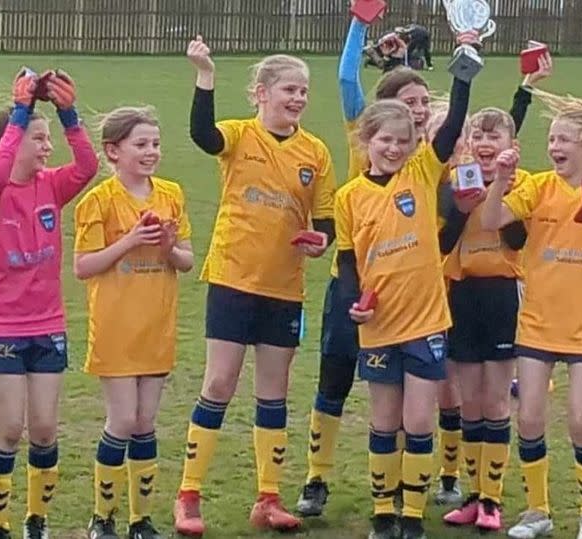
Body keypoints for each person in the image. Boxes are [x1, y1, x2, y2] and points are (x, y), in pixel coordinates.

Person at [172, 36, 336, 537]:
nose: (299, 98)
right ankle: (188, 495)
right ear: (260, 93)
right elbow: (202, 134)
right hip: (232, 277)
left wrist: (319, 240)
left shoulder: (316, 152)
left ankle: (268, 498)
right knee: (219, 384)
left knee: (274, 391)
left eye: (304, 91)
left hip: (284, 287)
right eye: (289, 88)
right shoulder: (240, 136)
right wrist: (205, 76)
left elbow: (326, 219)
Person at [335, 26, 475, 535]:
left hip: (425, 321)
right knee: (383, 424)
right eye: (384, 141)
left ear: (415, 144)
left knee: (419, 424)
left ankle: (412, 516)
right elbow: (349, 261)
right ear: (366, 141)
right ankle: (382, 513)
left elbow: (454, 119)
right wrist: (354, 304)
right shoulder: (350, 196)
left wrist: (466, 60)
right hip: (379, 325)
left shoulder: (420, 172)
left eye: (402, 141)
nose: (393, 149)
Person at [481, 90, 582, 539]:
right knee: (528, 417)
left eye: (564, 139)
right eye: (551, 139)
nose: (554, 147)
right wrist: (500, 180)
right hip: (537, 323)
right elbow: (492, 222)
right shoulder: (537, 186)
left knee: (580, 420)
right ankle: (538, 511)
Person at [0, 70, 98, 539]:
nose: (47, 148)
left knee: (44, 430)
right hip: (1, 326)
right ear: (12, 143)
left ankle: (37, 521)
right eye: (40, 139)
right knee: (9, 428)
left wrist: (70, 115)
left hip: (47, 324)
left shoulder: (51, 186)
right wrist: (19, 113)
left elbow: (88, 166)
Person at [439, 54, 553, 532]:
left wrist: (498, 189)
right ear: (468, 143)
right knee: (470, 403)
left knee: (495, 401)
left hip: (503, 294)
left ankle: (494, 499)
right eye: (478, 136)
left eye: (495, 136)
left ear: (512, 146)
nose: (486, 143)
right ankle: (472, 493)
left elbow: (518, 240)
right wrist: (464, 207)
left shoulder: (522, 184)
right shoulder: (454, 180)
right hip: (461, 295)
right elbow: (443, 242)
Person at [74, 106, 194, 539]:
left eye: (156, 144)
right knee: (122, 420)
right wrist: (129, 241)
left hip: (156, 325)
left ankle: (140, 519)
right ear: (113, 151)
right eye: (140, 144)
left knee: (145, 422)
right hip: (116, 327)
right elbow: (84, 266)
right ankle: (101, 516)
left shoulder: (171, 194)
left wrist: (166, 246)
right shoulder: (99, 201)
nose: (151, 152)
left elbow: (186, 260)